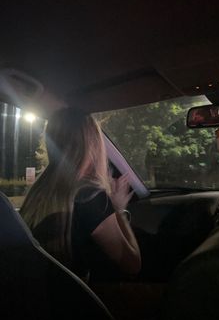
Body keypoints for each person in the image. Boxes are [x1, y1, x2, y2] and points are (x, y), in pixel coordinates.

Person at [21, 107, 141, 281]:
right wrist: (119, 211)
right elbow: (133, 264)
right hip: (73, 302)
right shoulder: (90, 197)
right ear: (92, 143)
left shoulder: (39, 190)